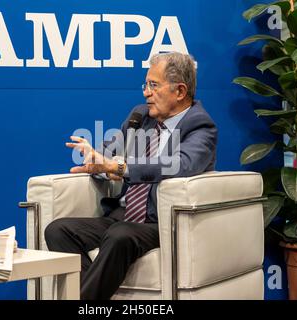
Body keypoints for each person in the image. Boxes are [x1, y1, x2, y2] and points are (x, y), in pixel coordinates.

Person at [45, 52, 217, 300]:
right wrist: (99, 164)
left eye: (153, 85)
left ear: (180, 91)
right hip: (123, 215)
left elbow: (180, 165)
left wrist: (121, 168)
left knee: (120, 235)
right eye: (145, 85)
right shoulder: (140, 116)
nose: (146, 92)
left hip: (161, 222)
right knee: (58, 230)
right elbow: (109, 155)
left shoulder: (201, 126)